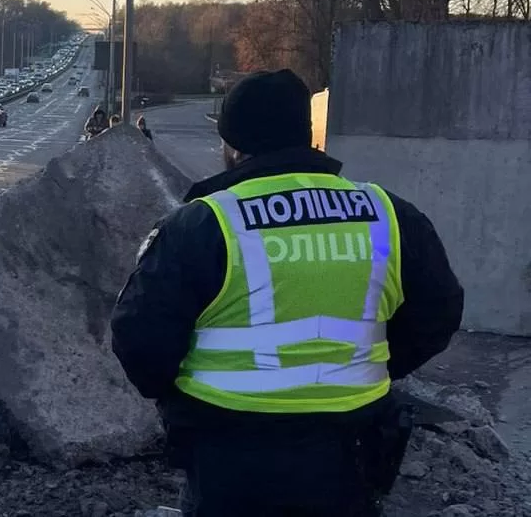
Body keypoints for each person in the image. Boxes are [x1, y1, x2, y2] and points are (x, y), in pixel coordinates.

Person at [110, 69, 463, 517]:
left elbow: (139, 340)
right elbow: (438, 312)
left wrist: (178, 399)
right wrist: (369, 368)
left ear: (233, 148)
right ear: (307, 136)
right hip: (352, 449)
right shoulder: (387, 214)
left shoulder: (205, 225)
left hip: (231, 455)